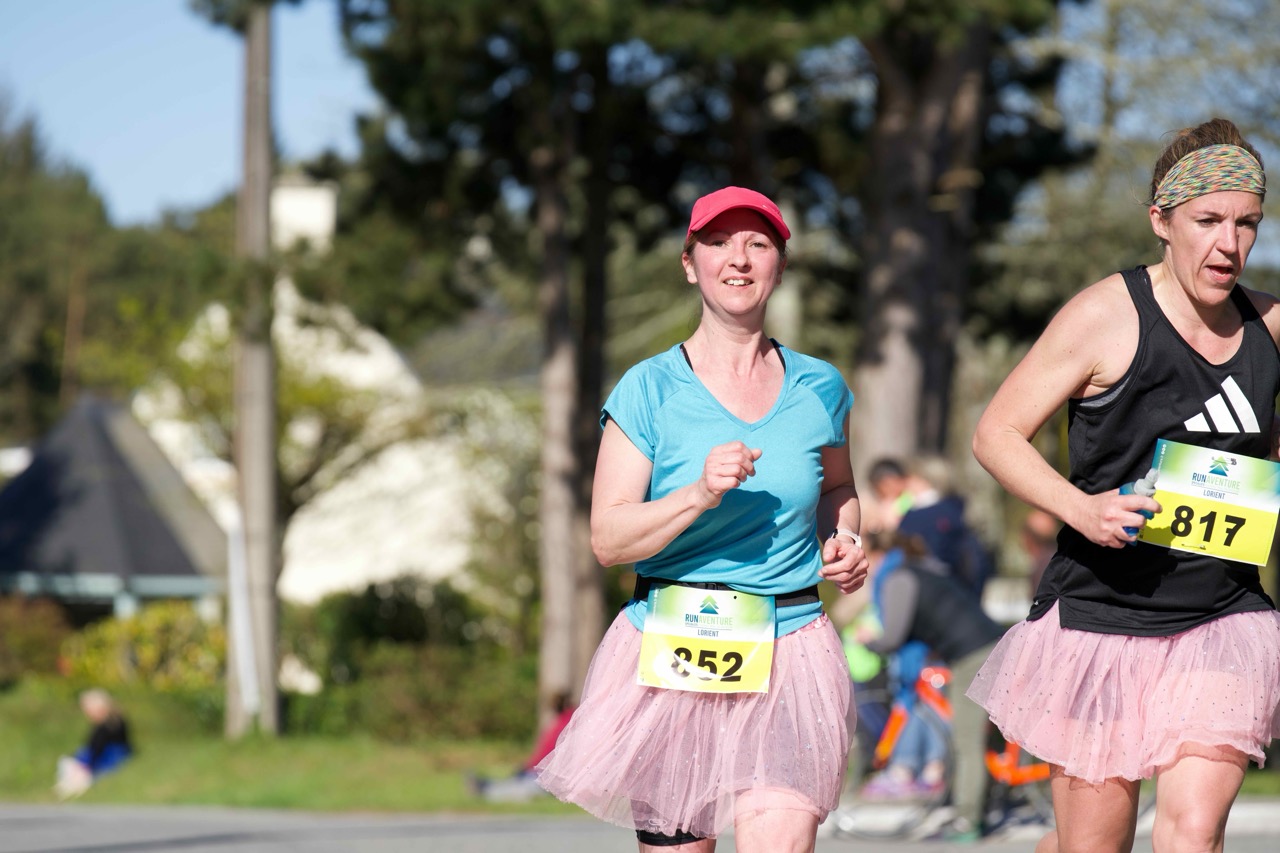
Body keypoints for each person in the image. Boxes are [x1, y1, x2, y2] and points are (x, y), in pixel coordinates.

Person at [969, 117, 1280, 853]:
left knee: (1192, 833)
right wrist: (1083, 508)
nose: (1229, 244)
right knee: (1092, 846)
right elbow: (996, 433)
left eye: (1247, 224)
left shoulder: (1270, 324)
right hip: (1100, 613)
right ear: (1160, 221)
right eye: (1207, 221)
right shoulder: (1105, 315)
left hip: (1221, 614)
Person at [535, 186, 870, 852]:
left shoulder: (820, 386)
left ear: (779, 265)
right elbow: (608, 539)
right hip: (673, 647)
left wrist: (846, 534)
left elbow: (838, 486)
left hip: (790, 646)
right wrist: (696, 493)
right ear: (691, 265)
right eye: (718, 243)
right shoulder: (648, 388)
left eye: (757, 243)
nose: (738, 259)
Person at [857, 531, 1005, 840]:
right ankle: (986, 804)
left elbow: (893, 636)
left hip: (974, 656)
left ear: (875, 554)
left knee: (966, 740)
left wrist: (869, 642)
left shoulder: (898, 578)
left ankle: (968, 821)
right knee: (980, 736)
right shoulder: (921, 568)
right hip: (985, 647)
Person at [469, 694, 576, 803]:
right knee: (516, 784)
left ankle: (484, 787)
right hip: (539, 772)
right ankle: (485, 785)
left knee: (517, 787)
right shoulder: (565, 721)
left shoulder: (563, 722)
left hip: (541, 773)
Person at [54, 688, 133, 800]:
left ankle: (76, 782)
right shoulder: (112, 722)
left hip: (108, 756)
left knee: (76, 761)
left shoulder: (107, 726)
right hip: (105, 754)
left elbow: (97, 748)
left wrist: (88, 764)